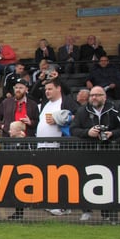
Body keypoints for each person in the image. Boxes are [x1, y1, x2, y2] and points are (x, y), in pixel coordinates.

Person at [71, 86, 120, 222]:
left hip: (110, 152)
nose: (94, 98)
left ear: (104, 96)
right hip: (87, 152)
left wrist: (112, 134)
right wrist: (88, 133)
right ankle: (86, 211)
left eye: (97, 95)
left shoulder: (115, 109)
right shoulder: (82, 111)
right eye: (92, 95)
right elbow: (73, 129)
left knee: (110, 183)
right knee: (85, 181)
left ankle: (109, 214)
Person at [36, 78, 78, 217]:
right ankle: (52, 202)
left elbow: (77, 117)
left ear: (58, 88)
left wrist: (60, 119)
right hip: (42, 146)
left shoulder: (66, 102)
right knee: (48, 177)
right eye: (46, 89)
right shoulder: (45, 104)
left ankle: (64, 205)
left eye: (50, 89)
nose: (47, 91)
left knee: (60, 177)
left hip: (58, 146)